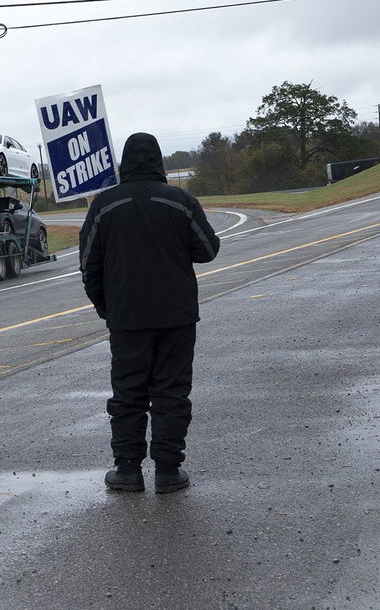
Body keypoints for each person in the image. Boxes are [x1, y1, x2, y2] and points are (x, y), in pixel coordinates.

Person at [78, 132, 220, 493]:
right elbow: (207, 249)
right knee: (172, 391)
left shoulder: (104, 205)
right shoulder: (180, 201)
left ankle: (127, 470)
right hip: (177, 314)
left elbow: (88, 263)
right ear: (158, 161)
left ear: (125, 162)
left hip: (126, 315)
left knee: (128, 392)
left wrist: (104, 305)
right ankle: (169, 470)